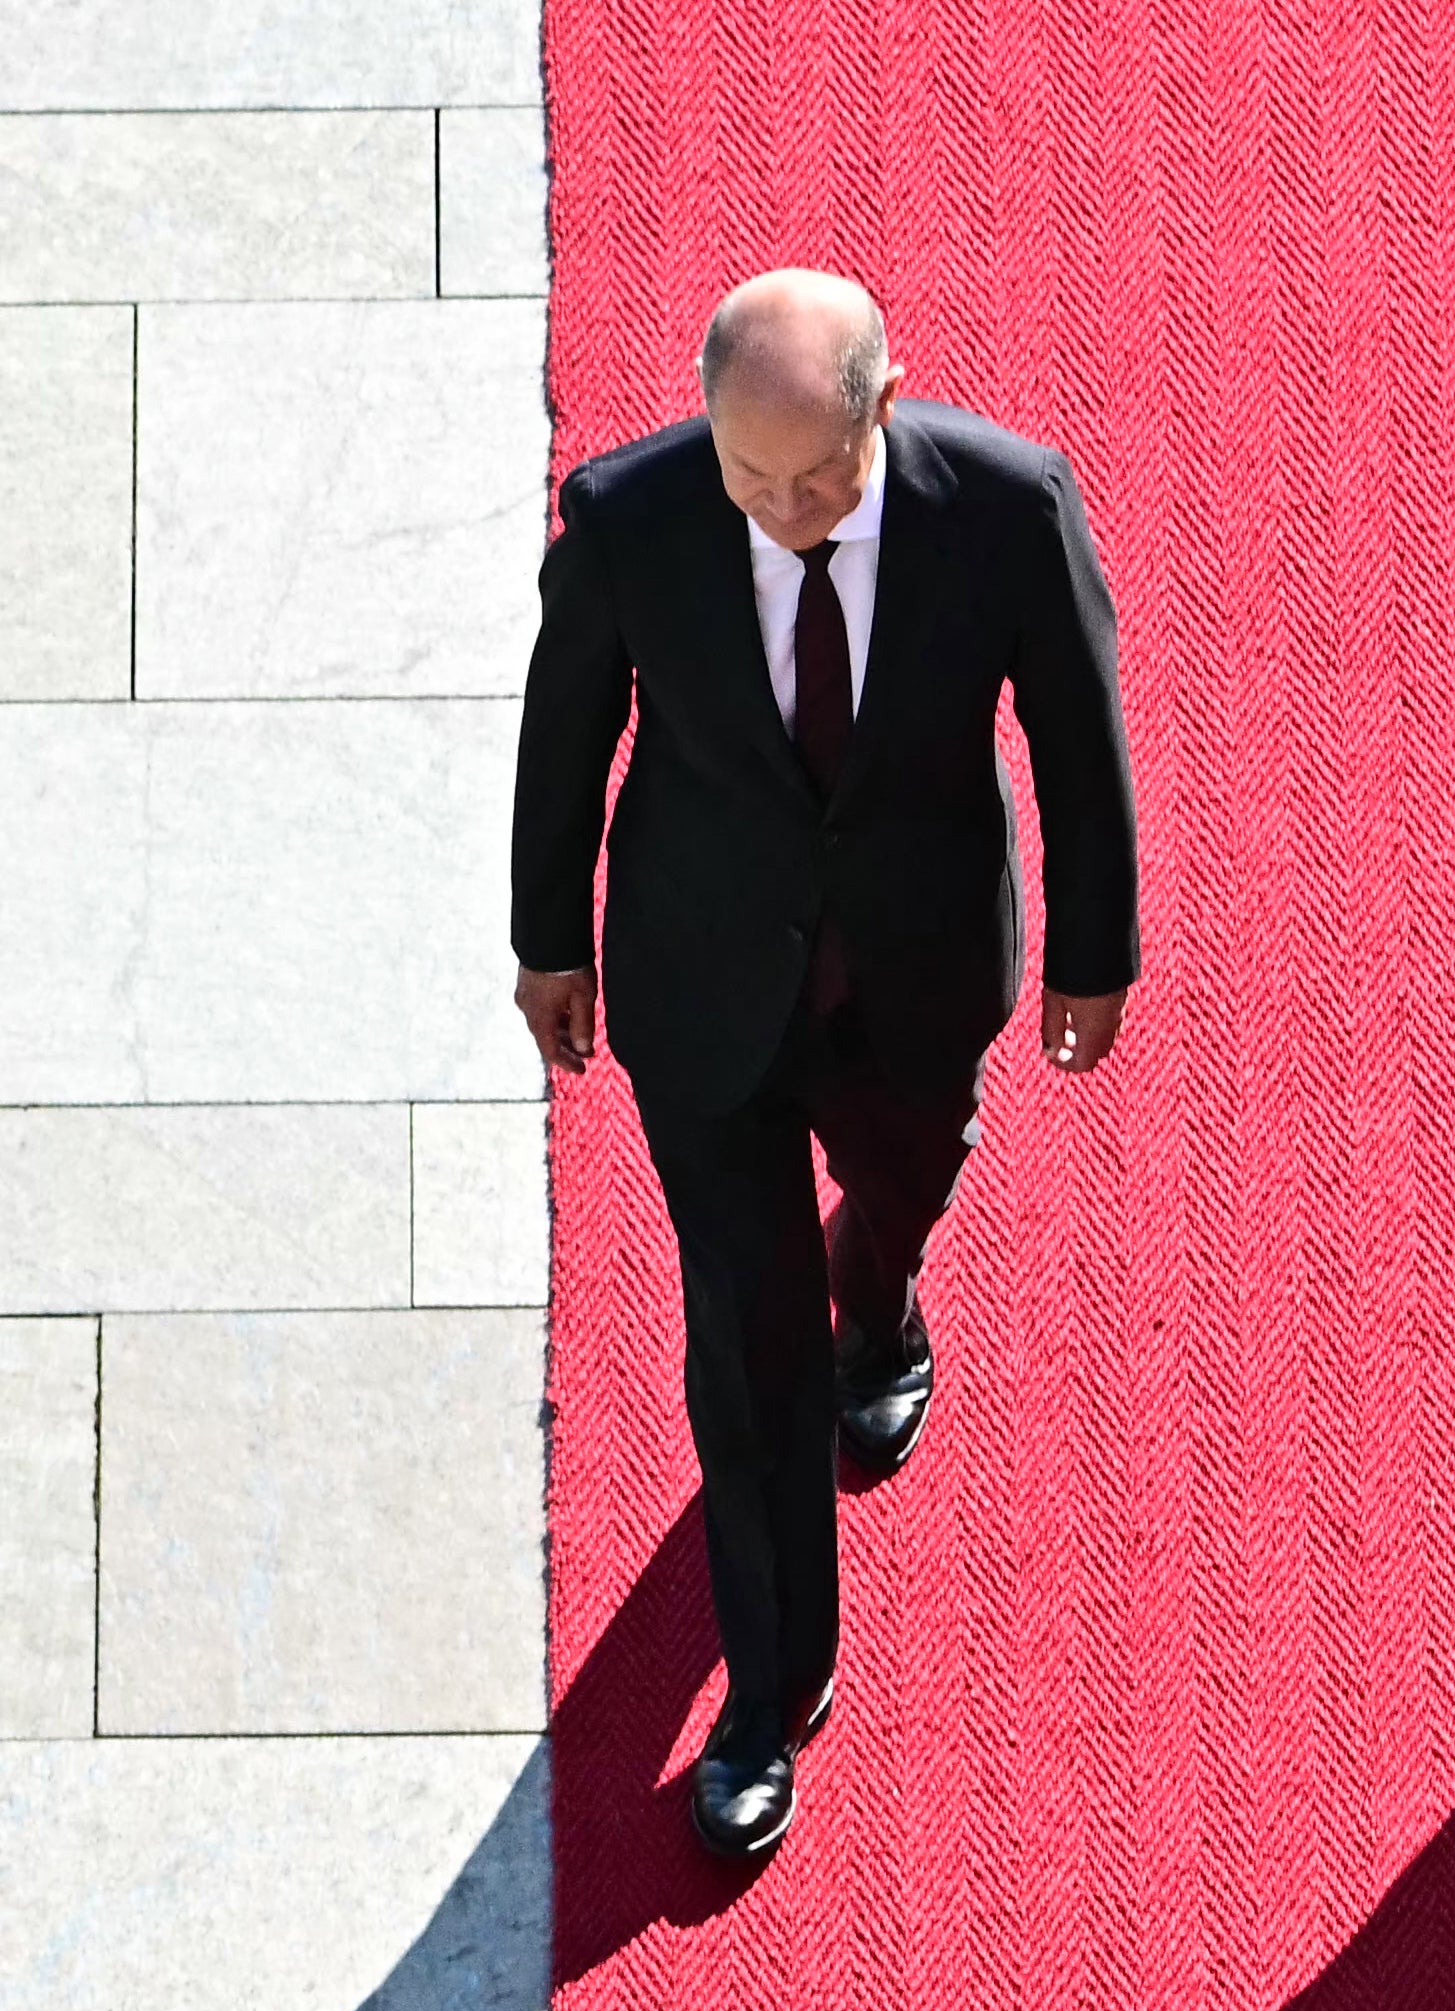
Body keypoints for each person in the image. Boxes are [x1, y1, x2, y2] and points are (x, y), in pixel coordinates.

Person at [512, 269, 1142, 1860]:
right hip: (702, 990)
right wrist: (550, 943)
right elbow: (565, 732)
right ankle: (771, 1692)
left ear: (887, 398)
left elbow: (1079, 729)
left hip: (916, 985)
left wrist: (1092, 954)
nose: (785, 511)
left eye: (818, 476)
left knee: (902, 1191)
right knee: (745, 1339)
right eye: (752, 478)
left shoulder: (1006, 504)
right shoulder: (633, 516)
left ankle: (889, 1296)